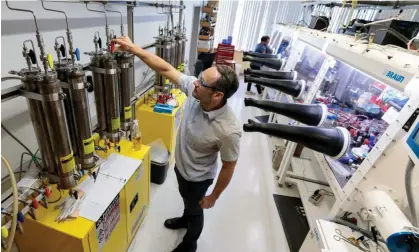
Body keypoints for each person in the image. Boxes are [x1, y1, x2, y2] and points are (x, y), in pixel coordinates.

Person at [112, 36, 242, 252]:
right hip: (181, 168)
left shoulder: (228, 130)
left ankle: (190, 243)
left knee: (195, 209)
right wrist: (134, 48)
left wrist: (213, 197)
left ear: (218, 95)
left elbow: (229, 166)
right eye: (198, 78)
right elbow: (164, 68)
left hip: (198, 179)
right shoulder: (197, 92)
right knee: (187, 202)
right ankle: (184, 218)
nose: (195, 83)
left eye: (202, 83)